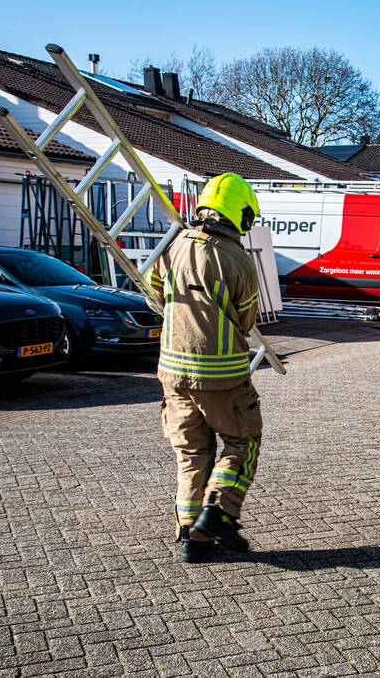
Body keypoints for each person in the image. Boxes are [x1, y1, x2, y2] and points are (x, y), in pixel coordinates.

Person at [149, 173, 263, 563]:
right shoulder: (238, 259)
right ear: (242, 214)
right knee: (241, 443)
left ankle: (190, 537)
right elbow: (247, 318)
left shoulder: (171, 246)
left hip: (172, 373)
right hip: (222, 376)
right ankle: (217, 512)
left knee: (191, 454)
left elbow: (154, 296)